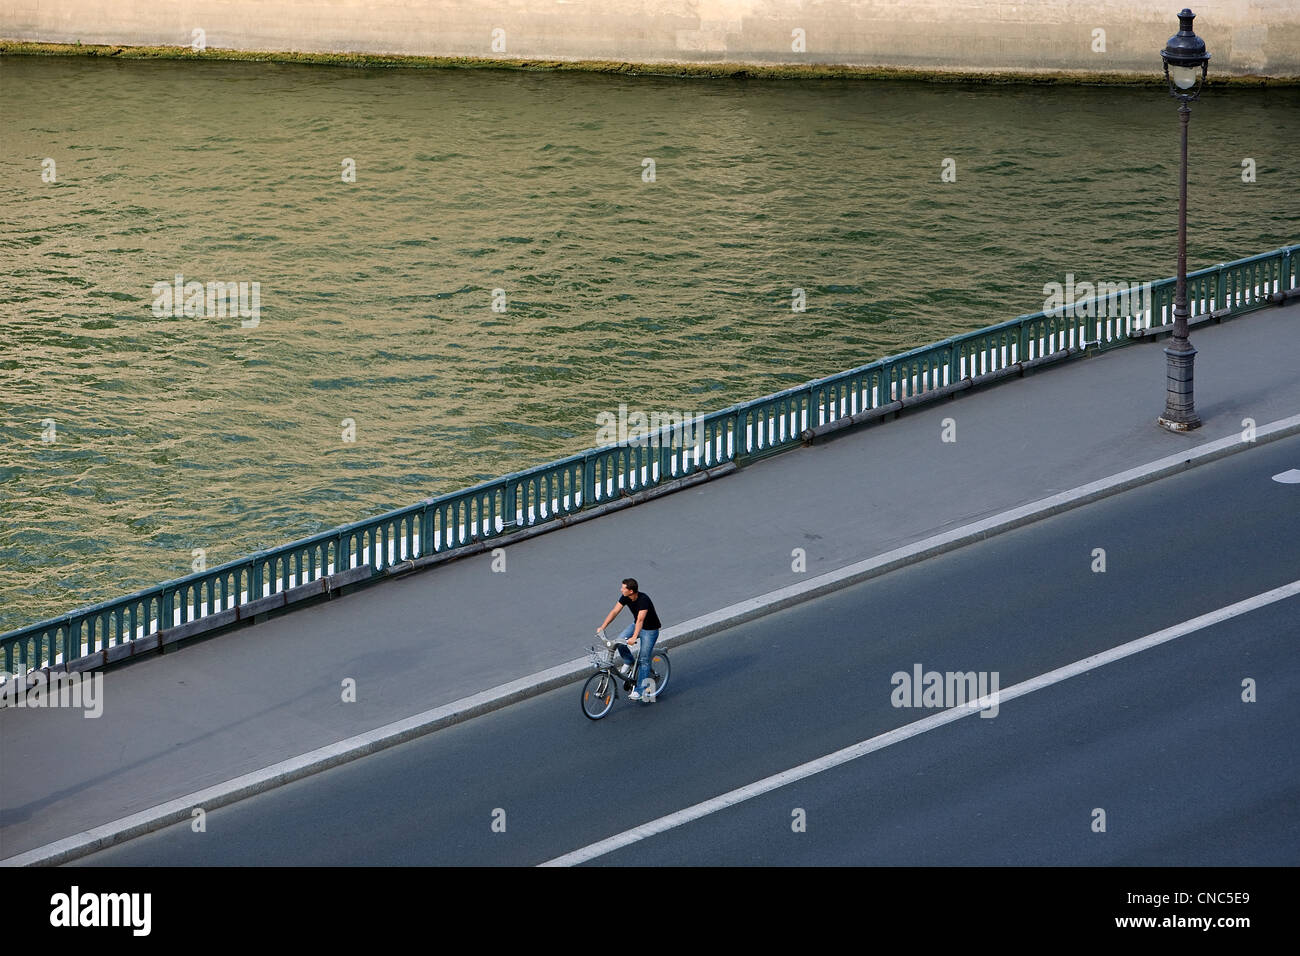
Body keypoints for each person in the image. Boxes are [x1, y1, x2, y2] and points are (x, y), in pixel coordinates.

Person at [596, 578, 662, 702]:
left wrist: (633, 637)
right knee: (619, 641)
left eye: (623, 588)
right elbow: (615, 611)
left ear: (631, 591)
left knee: (644, 659)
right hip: (636, 625)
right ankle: (629, 661)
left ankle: (639, 691)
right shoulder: (625, 597)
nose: (621, 590)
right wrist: (602, 627)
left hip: (650, 630)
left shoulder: (643, 600)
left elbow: (640, 620)